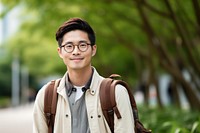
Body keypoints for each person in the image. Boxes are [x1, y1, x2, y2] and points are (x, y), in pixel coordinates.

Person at [33, 17, 135, 133]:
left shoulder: (116, 93)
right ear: (60, 52)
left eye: (82, 45)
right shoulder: (46, 95)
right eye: (69, 46)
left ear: (93, 49)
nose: (76, 51)